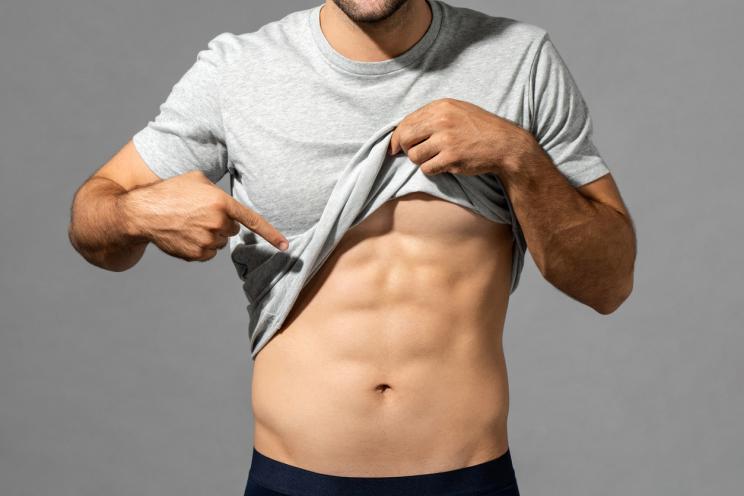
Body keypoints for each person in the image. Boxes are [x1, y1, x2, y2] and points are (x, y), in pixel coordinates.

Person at [68, 1, 636, 494]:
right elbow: (93, 225)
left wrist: (517, 155)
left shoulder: (519, 60)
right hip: (293, 480)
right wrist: (136, 211)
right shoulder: (238, 70)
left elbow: (608, 284)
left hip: (468, 478)